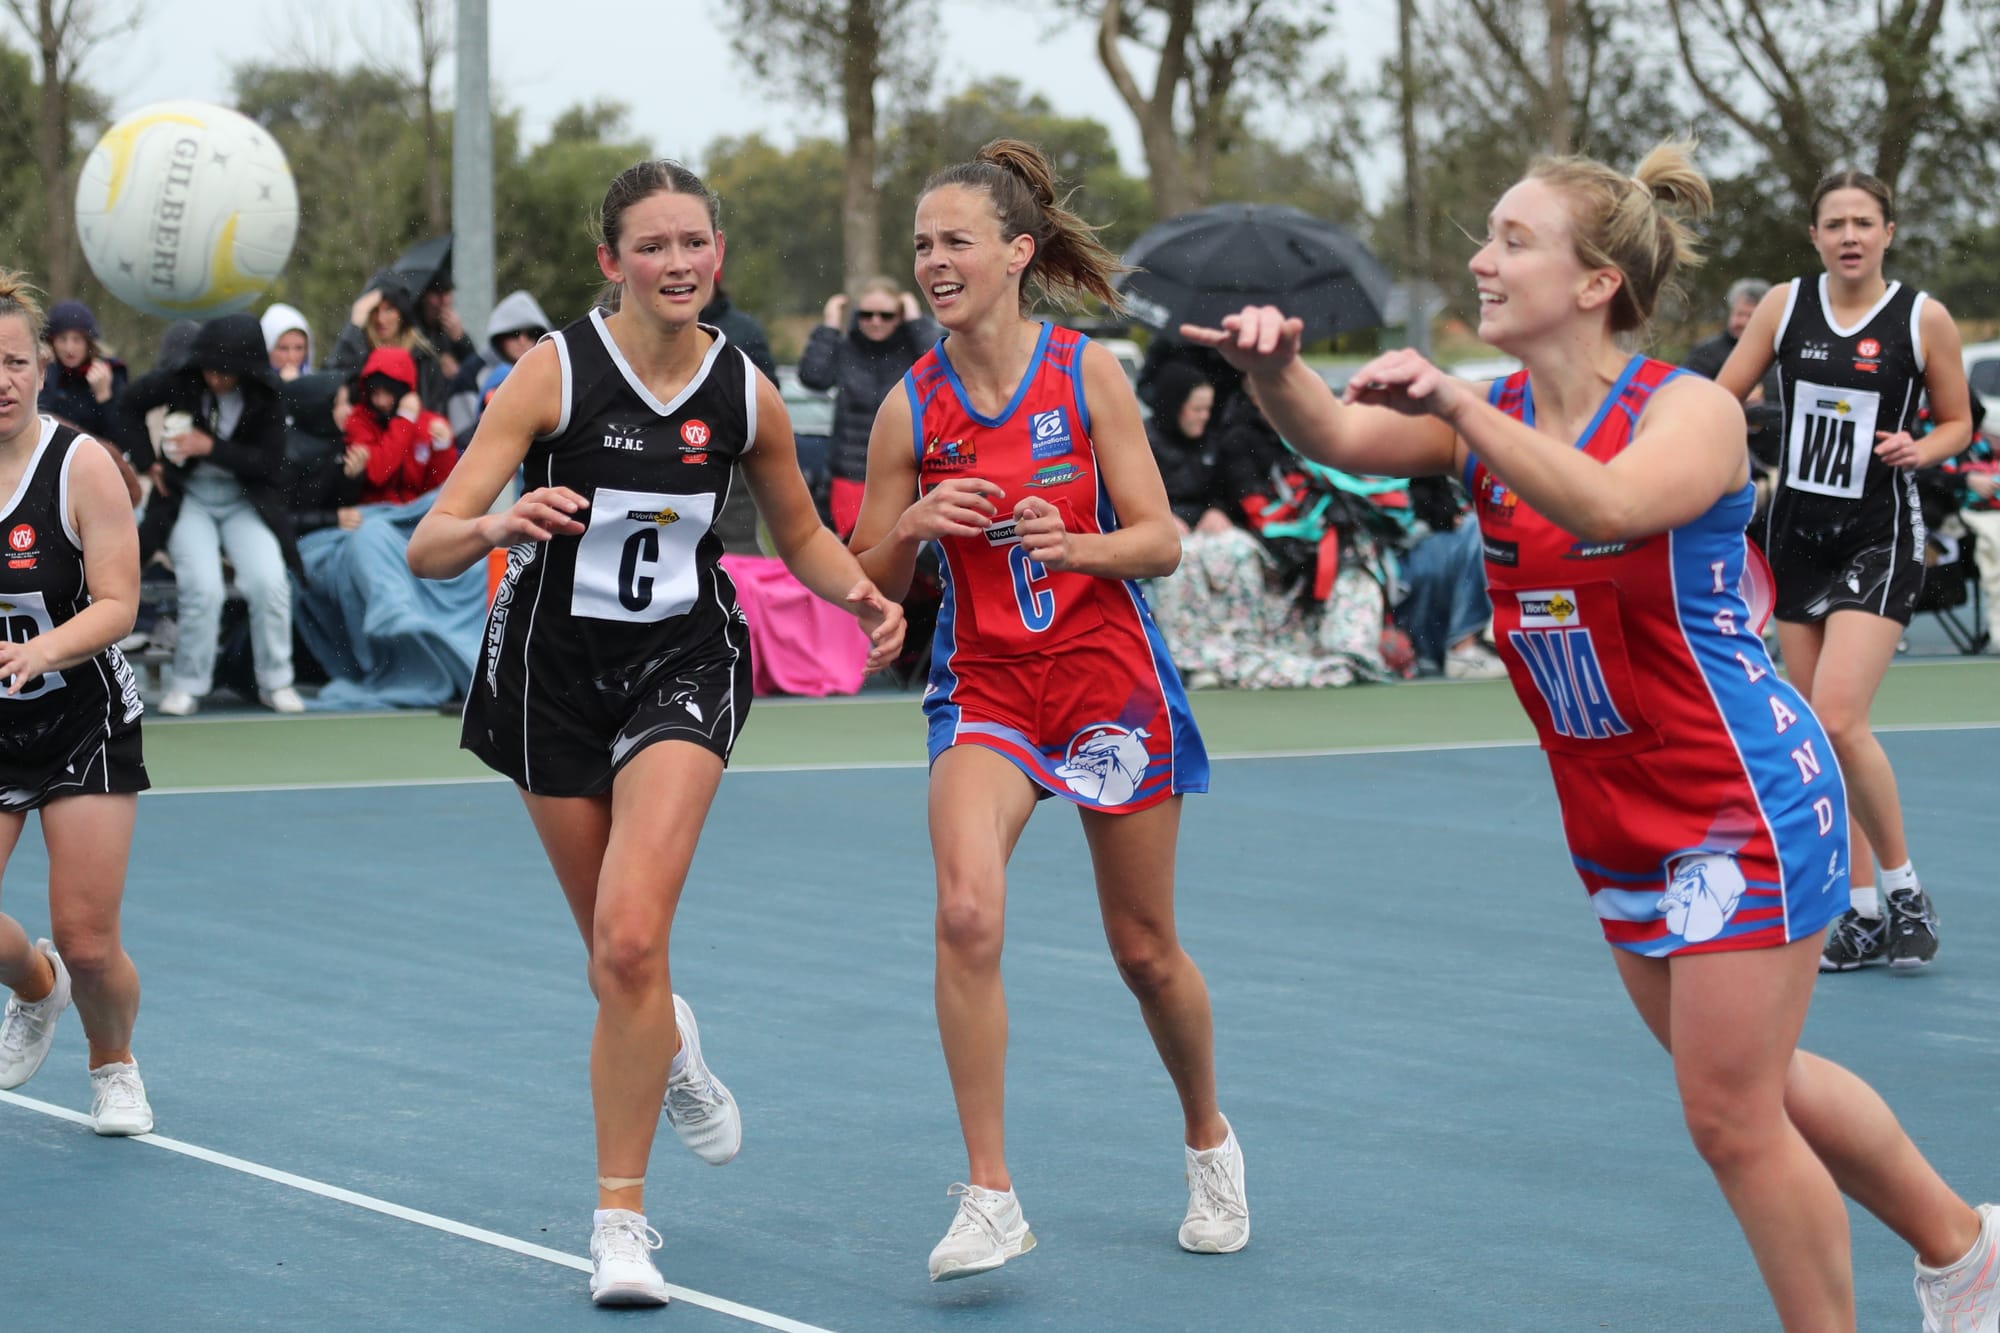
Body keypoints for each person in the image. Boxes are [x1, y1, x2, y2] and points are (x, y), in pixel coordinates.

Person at [1181, 140, 1999, 1332]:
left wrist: (1456, 404)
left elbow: (1608, 503)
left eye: (1511, 240)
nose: (1480, 260)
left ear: (1594, 282)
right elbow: (1340, 440)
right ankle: (1964, 1251)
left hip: (1738, 796)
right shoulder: (1496, 417)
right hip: (1613, 810)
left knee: (1728, 1118)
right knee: (1756, 1088)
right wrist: (1274, 373)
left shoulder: (1687, 412)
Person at [405, 158, 904, 1308]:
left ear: (715, 254)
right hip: (548, 676)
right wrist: (497, 521)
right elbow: (429, 543)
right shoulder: (552, 372)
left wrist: (861, 594)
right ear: (611, 260)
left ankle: (619, 1222)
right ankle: (670, 1037)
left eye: (693, 243)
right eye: (652, 245)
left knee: (630, 941)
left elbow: (799, 535)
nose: (677, 263)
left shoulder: (744, 392)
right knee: (614, 959)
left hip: (683, 661)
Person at [847, 139, 1247, 1281]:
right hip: (986, 689)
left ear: (1018, 252)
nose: (934, 262)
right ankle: (989, 1195)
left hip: (1106, 683)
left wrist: (1077, 545)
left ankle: (1208, 1140)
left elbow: (1160, 541)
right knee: (966, 912)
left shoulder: (1087, 375)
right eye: (921, 245)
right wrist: (912, 527)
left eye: (955, 242)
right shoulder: (909, 409)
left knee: (1144, 951)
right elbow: (863, 573)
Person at [1715, 172, 1975, 974]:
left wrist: (1920, 447)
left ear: (1888, 232)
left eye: (1864, 221)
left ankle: (1905, 891)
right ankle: (1860, 914)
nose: (1850, 235)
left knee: (1835, 717)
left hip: (1878, 535)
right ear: (1816, 236)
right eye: (1836, 223)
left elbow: (1959, 421)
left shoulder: (1923, 318)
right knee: (1819, 740)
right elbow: (1721, 398)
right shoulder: (1784, 306)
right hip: (1797, 535)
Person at [0, 271, 154, 1136]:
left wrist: (42, 650)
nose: (3, 380)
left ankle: (113, 1063)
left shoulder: (80, 465)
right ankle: (36, 986)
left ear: (41, 368)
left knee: (90, 940)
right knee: (57, 958)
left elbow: (119, 603)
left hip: (79, 717)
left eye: (16, 362)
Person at [115, 314, 306, 716]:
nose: (215, 378)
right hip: (188, 499)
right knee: (203, 587)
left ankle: (277, 681)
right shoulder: (181, 379)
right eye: (210, 369)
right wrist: (149, 463)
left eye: (225, 372)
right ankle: (188, 683)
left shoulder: (268, 396)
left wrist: (210, 448)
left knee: (269, 582)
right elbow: (127, 406)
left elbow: (270, 464)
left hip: (244, 501)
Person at [798, 276, 940, 537]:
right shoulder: (846, 348)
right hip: (850, 473)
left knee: (900, 549)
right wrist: (830, 326)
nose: (875, 321)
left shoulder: (912, 350)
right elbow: (813, 376)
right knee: (854, 550)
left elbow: (941, 368)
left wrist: (915, 320)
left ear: (899, 316)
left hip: (903, 472)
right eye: (866, 314)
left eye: (886, 315)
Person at [326, 273, 449, 413]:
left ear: (402, 313)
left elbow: (435, 412)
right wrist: (354, 325)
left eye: (389, 309)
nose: (381, 319)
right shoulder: (359, 355)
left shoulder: (423, 359)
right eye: (374, 310)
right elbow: (329, 381)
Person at [36, 300, 126, 442]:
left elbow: (121, 436)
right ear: (51, 342)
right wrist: (49, 372)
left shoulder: (110, 372)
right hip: (53, 450)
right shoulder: (45, 370)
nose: (69, 349)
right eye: (62, 339)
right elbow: (40, 419)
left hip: (95, 452)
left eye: (77, 340)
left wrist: (104, 396)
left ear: (88, 342)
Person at [697, 282, 777, 385]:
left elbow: (768, 382)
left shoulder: (746, 328)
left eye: (698, 284)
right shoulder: (677, 328)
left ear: (715, 285)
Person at [260, 302, 315, 381]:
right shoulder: (251, 385)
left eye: (299, 348)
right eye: (283, 348)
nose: (292, 357)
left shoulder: (318, 384)